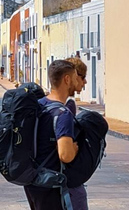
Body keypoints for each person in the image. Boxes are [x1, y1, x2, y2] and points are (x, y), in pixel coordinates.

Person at [24, 60, 79, 210]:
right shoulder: (63, 114)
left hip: (32, 179)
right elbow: (65, 155)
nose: (77, 81)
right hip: (50, 182)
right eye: (75, 78)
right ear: (66, 79)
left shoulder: (39, 104)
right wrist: (74, 148)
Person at [65, 57, 89, 210]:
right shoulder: (67, 106)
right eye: (82, 77)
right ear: (73, 77)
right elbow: (66, 152)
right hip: (67, 182)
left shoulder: (45, 103)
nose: (85, 82)